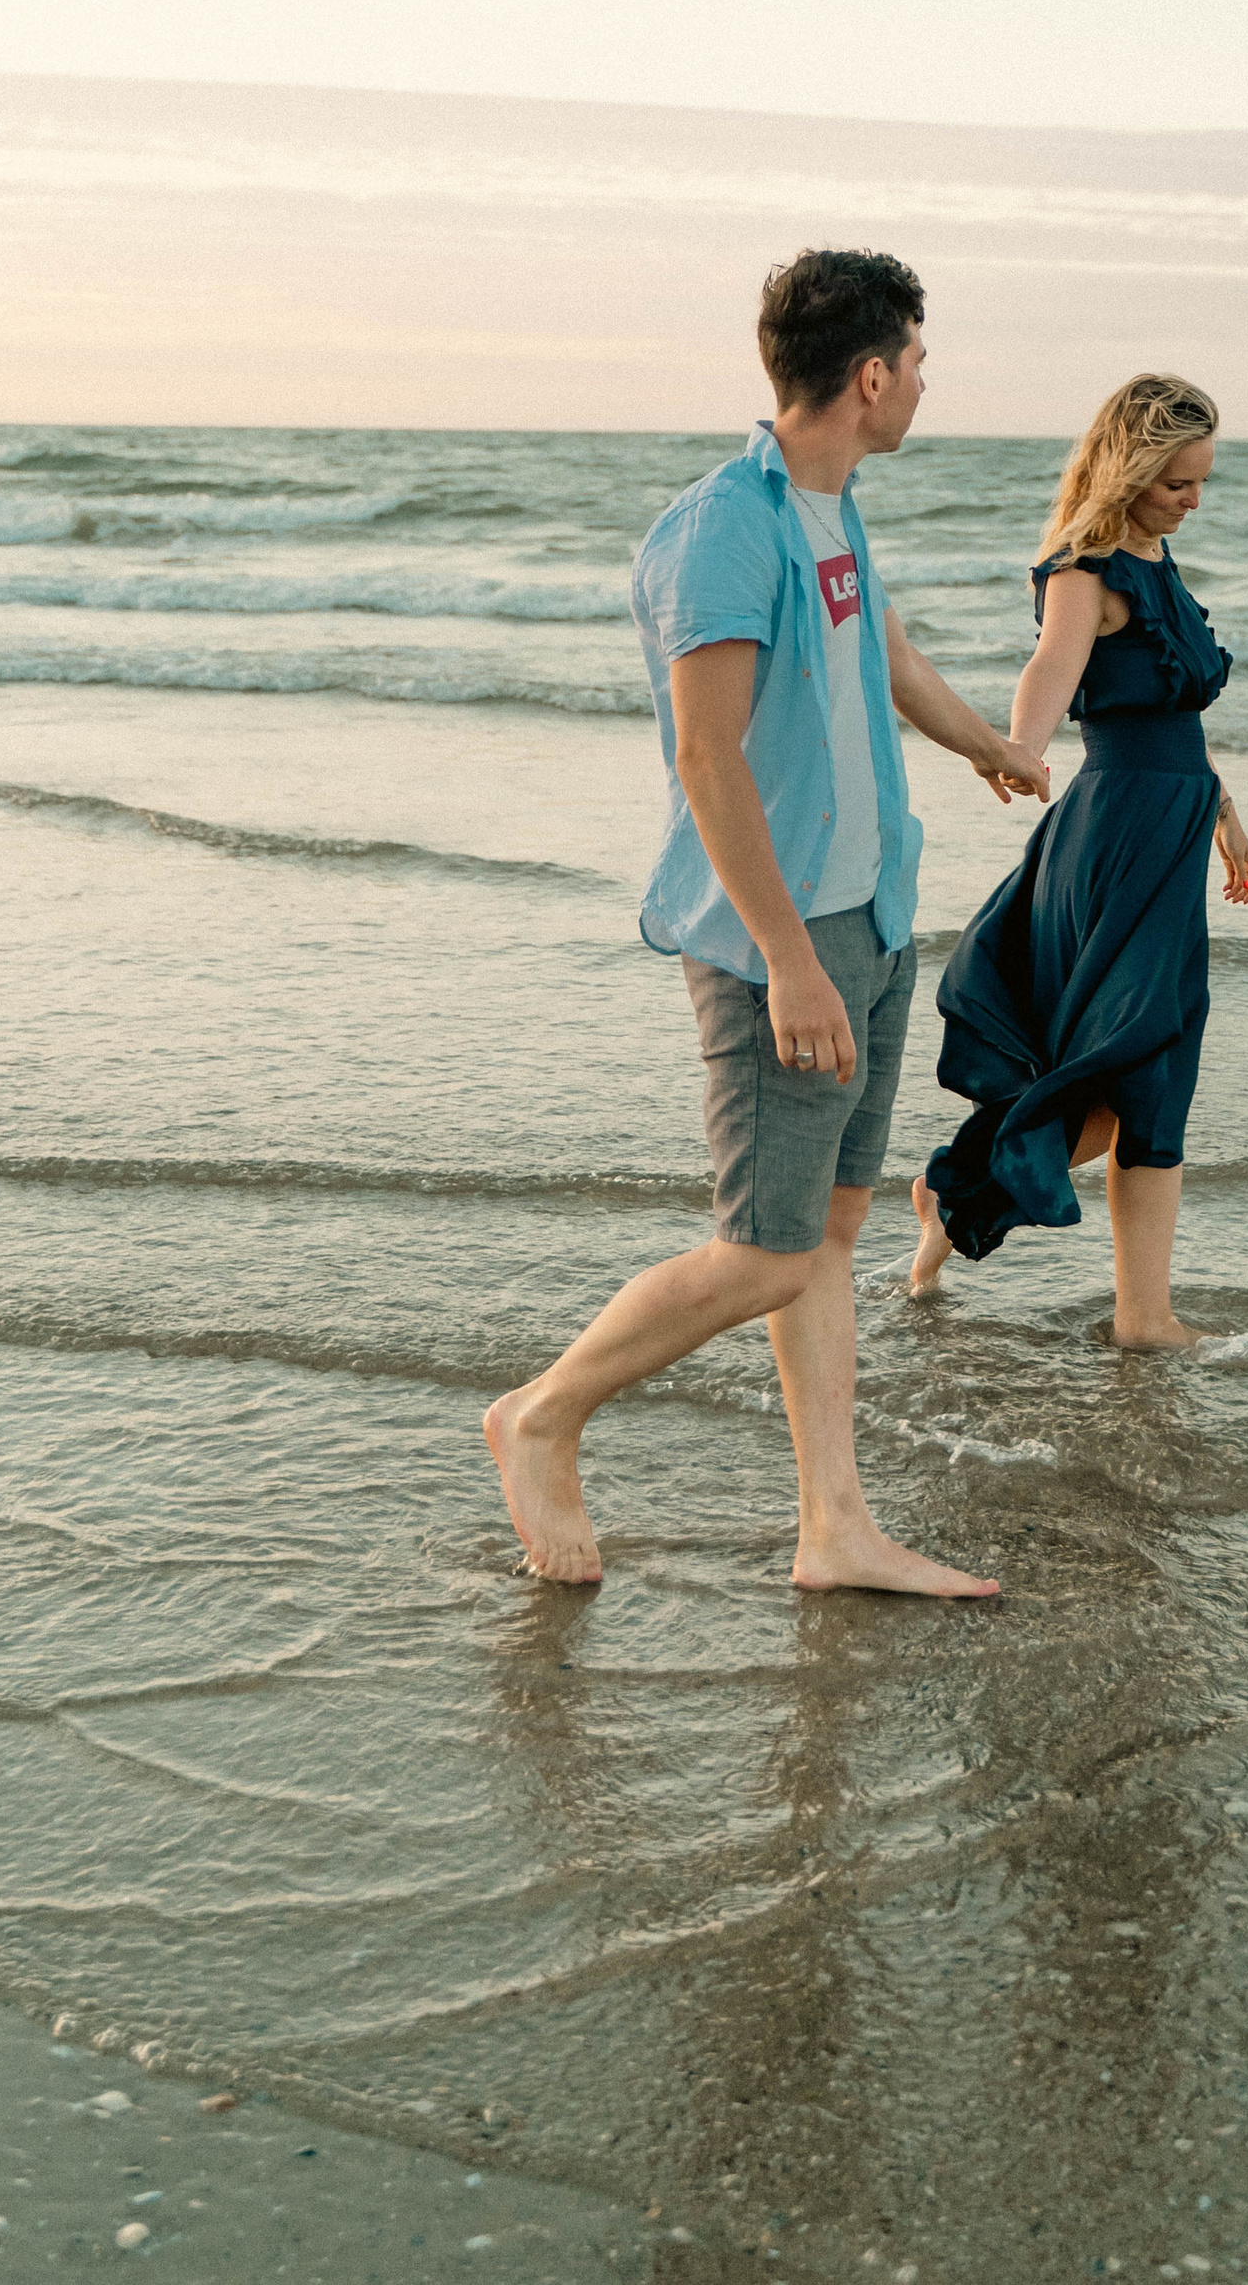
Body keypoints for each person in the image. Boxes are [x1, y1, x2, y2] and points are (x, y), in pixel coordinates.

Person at [483, 248, 1050, 1593]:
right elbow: (707, 757)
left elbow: (884, 647)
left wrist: (985, 746)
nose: (923, 383)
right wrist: (791, 964)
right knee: (762, 1251)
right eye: (916, 362)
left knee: (827, 1241)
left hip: (868, 917)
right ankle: (543, 1415)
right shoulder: (724, 528)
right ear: (869, 377)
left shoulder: (829, 507)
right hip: (777, 948)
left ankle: (833, 1528)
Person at [907, 373, 1248, 1346]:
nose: (1193, 502)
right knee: (1138, 1061)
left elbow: (1173, 715)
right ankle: (1139, 1315)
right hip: (1113, 842)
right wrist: (1017, 745)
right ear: (1132, 471)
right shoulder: (1086, 568)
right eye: (1176, 484)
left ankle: (961, 1201)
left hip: (1174, 830)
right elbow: (1051, 672)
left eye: (1202, 484)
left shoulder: (1158, 562)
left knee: (1128, 1084)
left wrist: (1224, 809)